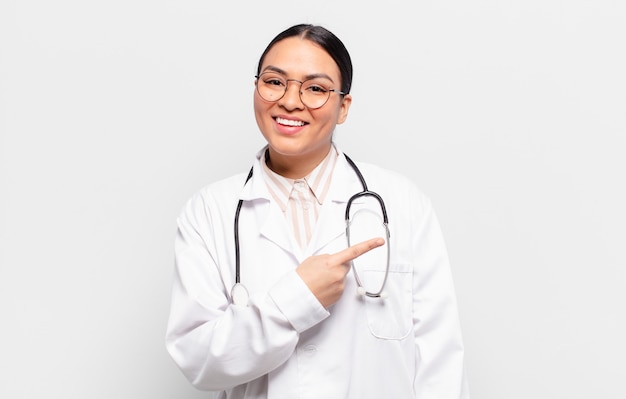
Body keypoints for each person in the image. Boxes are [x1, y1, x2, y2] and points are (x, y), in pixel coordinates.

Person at [165, 23, 470, 398]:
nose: (290, 101)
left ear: (344, 107)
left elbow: (440, 361)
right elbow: (197, 360)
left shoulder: (401, 202)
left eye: (315, 89)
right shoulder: (209, 211)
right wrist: (295, 300)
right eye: (275, 82)